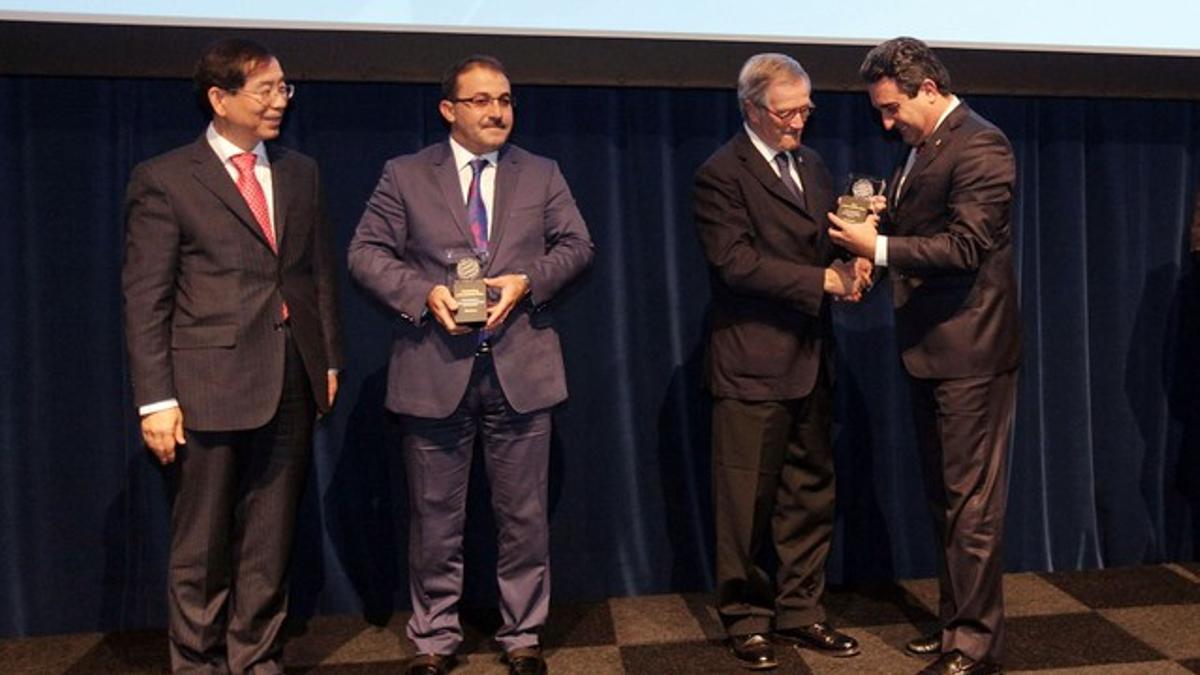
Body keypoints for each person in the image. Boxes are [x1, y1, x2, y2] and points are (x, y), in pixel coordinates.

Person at [347, 55, 593, 675]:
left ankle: (523, 635)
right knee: (434, 518)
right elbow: (365, 253)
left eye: (505, 99)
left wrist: (526, 281)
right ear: (449, 110)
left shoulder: (541, 173)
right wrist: (422, 294)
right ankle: (434, 638)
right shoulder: (404, 175)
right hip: (434, 369)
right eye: (481, 100)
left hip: (521, 370)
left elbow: (577, 246)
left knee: (524, 516)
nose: (497, 111)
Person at [122, 38, 342, 674]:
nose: (279, 102)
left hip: (293, 378)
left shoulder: (300, 172)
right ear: (219, 99)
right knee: (202, 543)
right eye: (266, 91)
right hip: (206, 384)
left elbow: (316, 274)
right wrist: (156, 398)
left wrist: (327, 360)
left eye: (284, 90)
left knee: (270, 540)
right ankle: (196, 662)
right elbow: (146, 299)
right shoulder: (165, 179)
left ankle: (256, 657)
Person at [828, 36, 1021, 675]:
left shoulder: (983, 145)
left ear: (929, 90)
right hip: (931, 353)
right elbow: (921, 236)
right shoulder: (924, 148)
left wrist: (877, 249)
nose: (885, 123)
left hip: (971, 355)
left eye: (891, 110)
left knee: (971, 508)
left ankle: (973, 647)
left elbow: (965, 247)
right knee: (947, 502)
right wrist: (875, 241)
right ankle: (954, 627)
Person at [693, 52, 869, 671]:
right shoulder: (722, 172)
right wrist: (822, 280)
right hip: (751, 361)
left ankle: (801, 611)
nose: (799, 121)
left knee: (809, 492)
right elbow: (734, 263)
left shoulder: (812, 164)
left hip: (812, 357)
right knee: (745, 503)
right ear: (752, 110)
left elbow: (824, 240)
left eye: (806, 109)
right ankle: (745, 618)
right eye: (786, 112)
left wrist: (855, 261)